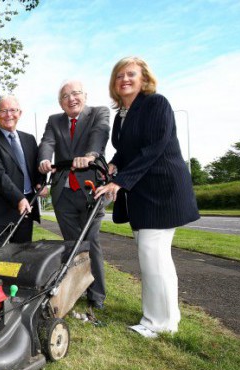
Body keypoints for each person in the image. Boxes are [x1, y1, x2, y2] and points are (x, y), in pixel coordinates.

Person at [94, 56, 199, 338]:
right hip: (141, 193)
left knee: (154, 255)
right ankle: (166, 316)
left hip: (162, 191)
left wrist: (119, 182)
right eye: (119, 76)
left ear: (143, 79)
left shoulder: (156, 103)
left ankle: (159, 324)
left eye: (131, 75)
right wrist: (114, 164)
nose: (124, 80)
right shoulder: (121, 116)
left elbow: (153, 148)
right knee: (153, 256)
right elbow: (128, 151)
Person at [38, 80, 110, 311]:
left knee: (90, 242)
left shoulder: (99, 113)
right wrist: (44, 159)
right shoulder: (54, 120)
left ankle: (96, 294)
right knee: (72, 245)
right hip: (64, 192)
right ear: (61, 102)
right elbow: (47, 142)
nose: (71, 99)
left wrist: (89, 155)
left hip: (91, 189)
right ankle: (77, 288)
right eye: (66, 96)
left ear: (85, 96)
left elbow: (99, 135)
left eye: (76, 93)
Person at [0, 95, 45, 252]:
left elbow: (35, 167)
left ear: (20, 113)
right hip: (0, 210)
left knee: (22, 254)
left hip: (26, 208)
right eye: (3, 111)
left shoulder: (29, 139)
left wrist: (40, 182)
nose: (9, 115)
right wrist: (19, 198)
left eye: (13, 110)